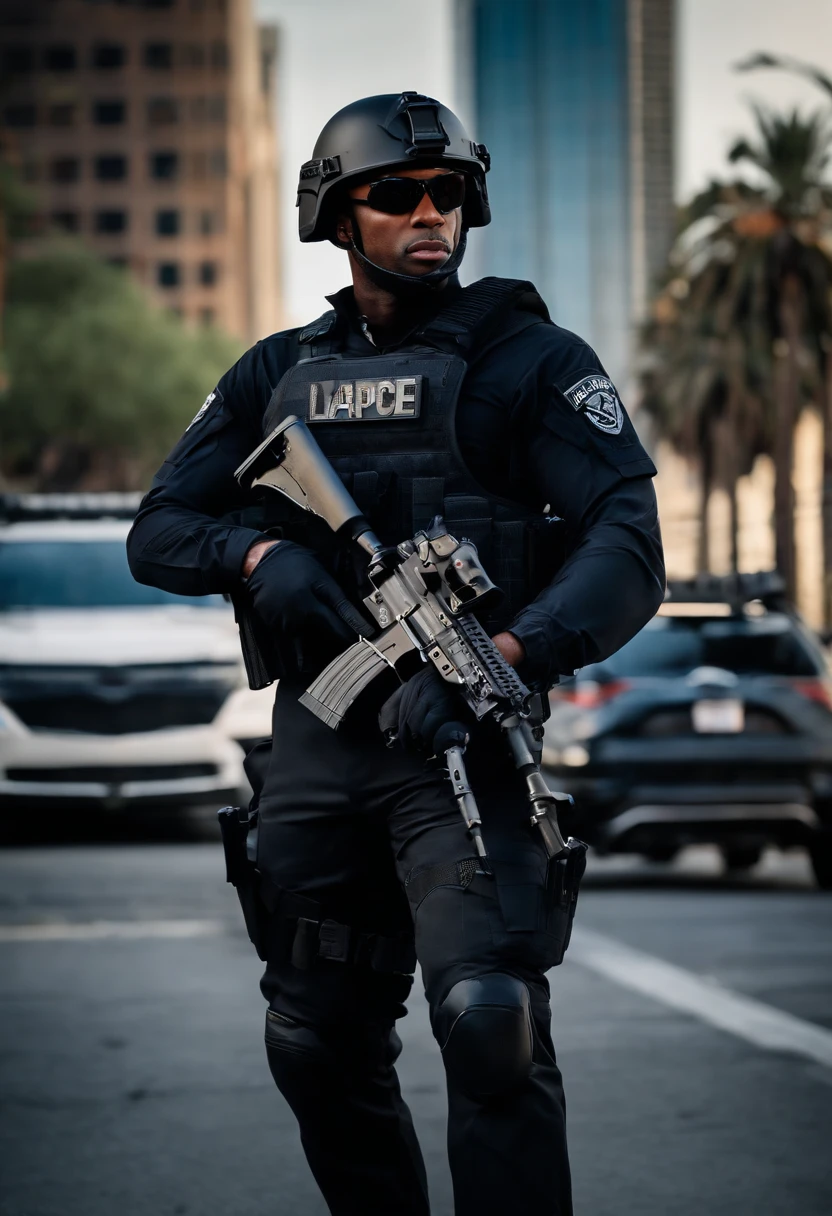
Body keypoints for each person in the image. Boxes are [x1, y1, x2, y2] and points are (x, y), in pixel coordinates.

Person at [127, 92, 665, 1216]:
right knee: (313, 1044)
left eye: (449, 193)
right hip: (320, 750)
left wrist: (510, 652)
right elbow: (158, 531)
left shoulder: (531, 361)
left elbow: (625, 545)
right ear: (336, 211)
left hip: (463, 746)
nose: (431, 214)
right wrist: (255, 556)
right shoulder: (275, 369)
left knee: (489, 1025)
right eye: (397, 195)